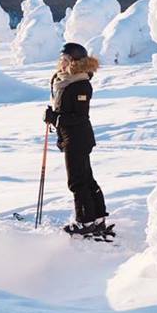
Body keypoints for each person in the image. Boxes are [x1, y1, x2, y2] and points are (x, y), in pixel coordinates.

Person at [45, 42, 111, 237]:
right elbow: (64, 110)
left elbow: (80, 116)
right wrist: (55, 118)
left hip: (78, 137)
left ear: (75, 62)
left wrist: (55, 118)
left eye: (66, 60)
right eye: (61, 60)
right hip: (70, 136)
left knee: (77, 181)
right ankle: (97, 217)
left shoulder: (81, 84)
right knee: (85, 177)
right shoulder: (64, 80)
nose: (62, 64)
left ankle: (85, 221)